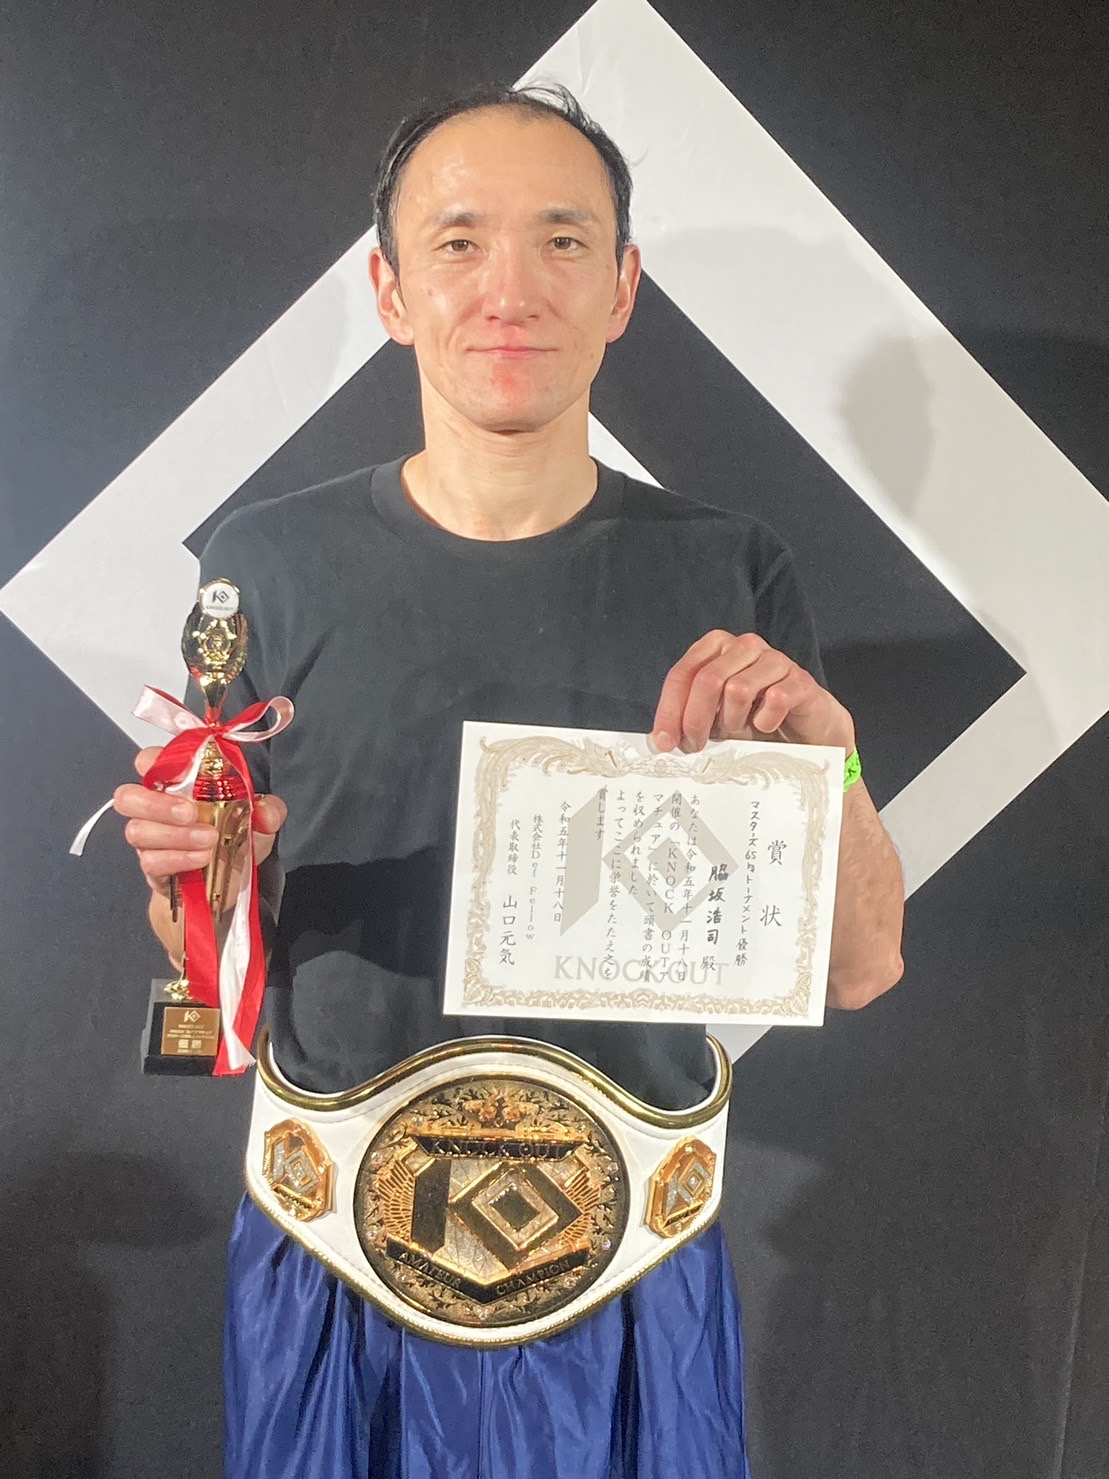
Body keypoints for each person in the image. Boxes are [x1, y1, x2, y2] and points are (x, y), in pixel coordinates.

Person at [114, 83, 904, 1479]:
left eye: (561, 241)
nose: (509, 290)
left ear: (622, 288)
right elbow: (206, 946)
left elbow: (860, 965)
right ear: (390, 289)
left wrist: (827, 752)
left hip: (629, 1255)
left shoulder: (728, 570)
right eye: (460, 242)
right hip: (334, 1239)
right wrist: (195, 871)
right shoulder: (266, 565)